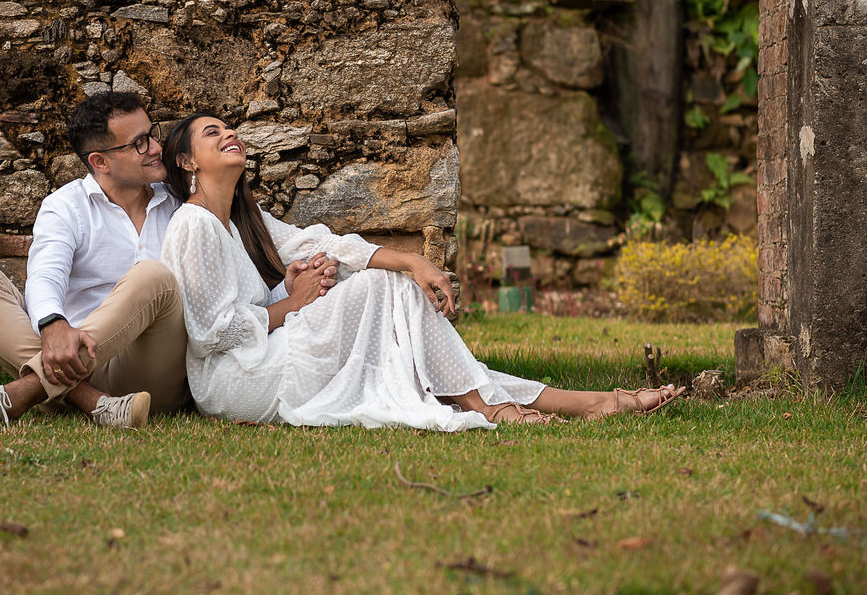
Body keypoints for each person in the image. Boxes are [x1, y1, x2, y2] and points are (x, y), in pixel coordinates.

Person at [160, 114, 684, 431]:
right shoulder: (195, 225)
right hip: (235, 383)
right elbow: (209, 335)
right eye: (213, 133)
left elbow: (325, 243)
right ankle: (490, 407)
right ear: (186, 162)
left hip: (267, 360)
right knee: (385, 292)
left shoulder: (242, 221)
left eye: (230, 128)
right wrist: (291, 304)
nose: (230, 134)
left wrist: (412, 260)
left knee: (413, 346)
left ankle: (588, 403)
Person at [0, 93, 190, 429]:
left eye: (152, 134)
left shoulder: (181, 204)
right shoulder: (65, 206)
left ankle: (16, 395)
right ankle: (94, 402)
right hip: (75, 360)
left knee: (152, 276)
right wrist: (53, 324)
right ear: (99, 161)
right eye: (138, 143)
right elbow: (46, 274)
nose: (154, 147)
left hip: (151, 368)